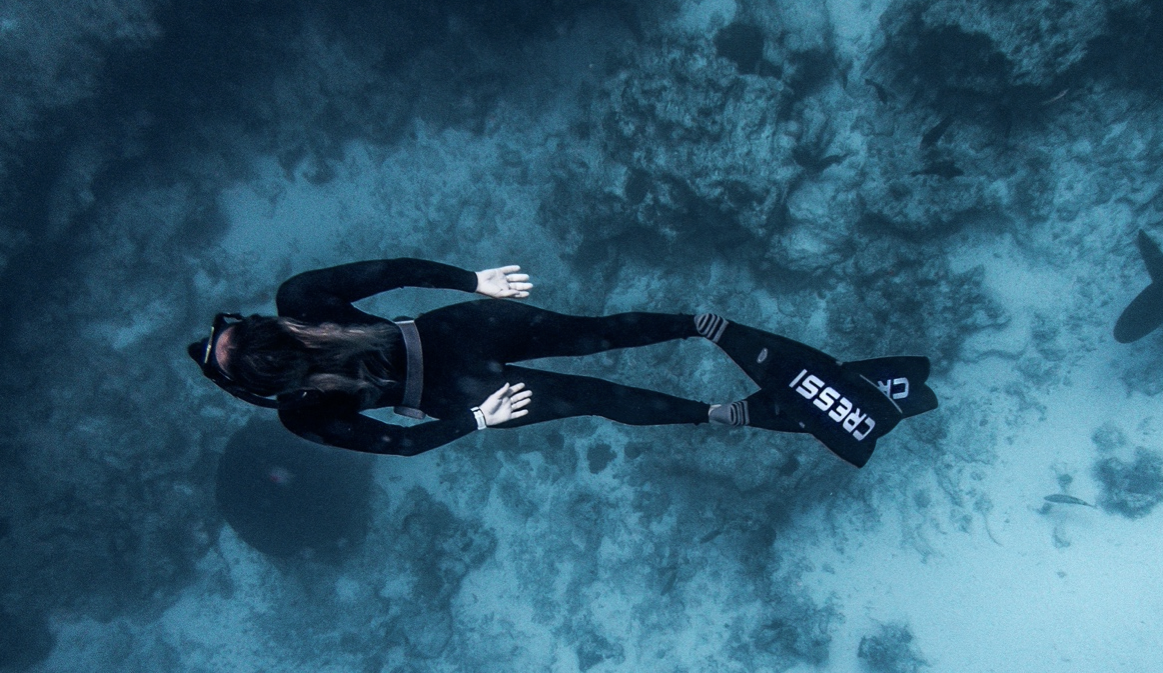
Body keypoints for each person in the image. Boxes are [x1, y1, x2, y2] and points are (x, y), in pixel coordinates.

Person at [188, 257, 936, 466]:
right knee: (597, 356)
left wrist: (476, 417)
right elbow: (387, 273)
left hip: (457, 378)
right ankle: (706, 342)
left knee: (597, 380)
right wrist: (472, 284)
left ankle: (720, 393)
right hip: (461, 342)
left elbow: (404, 441)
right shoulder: (299, 305)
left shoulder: (298, 406)